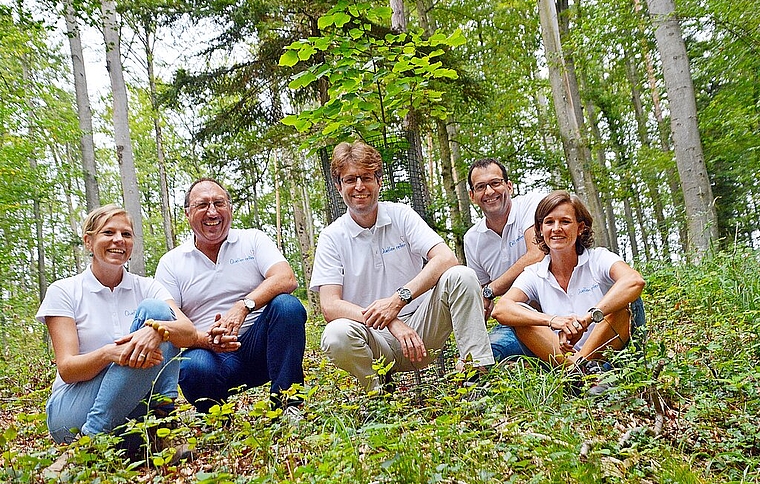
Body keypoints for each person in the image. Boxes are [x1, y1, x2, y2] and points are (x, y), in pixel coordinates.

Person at [310, 140, 494, 393]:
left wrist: (399, 300)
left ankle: (477, 377)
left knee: (461, 275)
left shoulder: (401, 215)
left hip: (423, 329)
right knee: (336, 334)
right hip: (374, 338)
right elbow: (330, 305)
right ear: (338, 185)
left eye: (366, 177)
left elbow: (445, 258)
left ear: (379, 181)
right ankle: (377, 394)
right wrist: (391, 322)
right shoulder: (332, 236)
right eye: (350, 179)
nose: (359, 186)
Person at [37, 205, 196, 454]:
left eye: (126, 234)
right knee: (141, 344)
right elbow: (67, 369)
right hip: (73, 409)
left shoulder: (147, 286)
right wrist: (109, 354)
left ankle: (162, 424)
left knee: (157, 312)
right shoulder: (64, 291)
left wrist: (156, 330)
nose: (118, 240)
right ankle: (92, 440)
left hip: (133, 403)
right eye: (108, 233)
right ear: (89, 241)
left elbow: (188, 332)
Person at [154, 178, 307, 415]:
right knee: (193, 366)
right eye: (202, 205)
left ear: (231, 208)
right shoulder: (171, 263)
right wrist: (208, 339)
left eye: (219, 203)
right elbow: (171, 326)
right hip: (211, 356)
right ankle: (215, 417)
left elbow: (287, 278)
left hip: (262, 347)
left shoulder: (253, 240)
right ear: (187, 213)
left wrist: (244, 306)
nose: (212, 212)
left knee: (287, 306)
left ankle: (288, 405)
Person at [491, 191, 646, 379]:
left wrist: (587, 319)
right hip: (562, 358)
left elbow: (634, 281)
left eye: (565, 222)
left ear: (580, 227)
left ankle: (580, 372)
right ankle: (579, 374)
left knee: (625, 303)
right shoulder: (535, 273)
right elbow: (501, 309)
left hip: (607, 356)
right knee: (520, 316)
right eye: (549, 222)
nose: (556, 228)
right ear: (540, 229)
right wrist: (553, 320)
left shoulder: (598, 258)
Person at [464, 158, 546, 361]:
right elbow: (482, 299)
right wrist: (473, 346)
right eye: (481, 187)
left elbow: (536, 254)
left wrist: (491, 290)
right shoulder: (472, 239)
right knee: (481, 359)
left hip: (559, 307)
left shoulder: (530, 205)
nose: (489, 192)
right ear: (472, 196)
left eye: (495, 183)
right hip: (518, 321)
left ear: (509, 186)